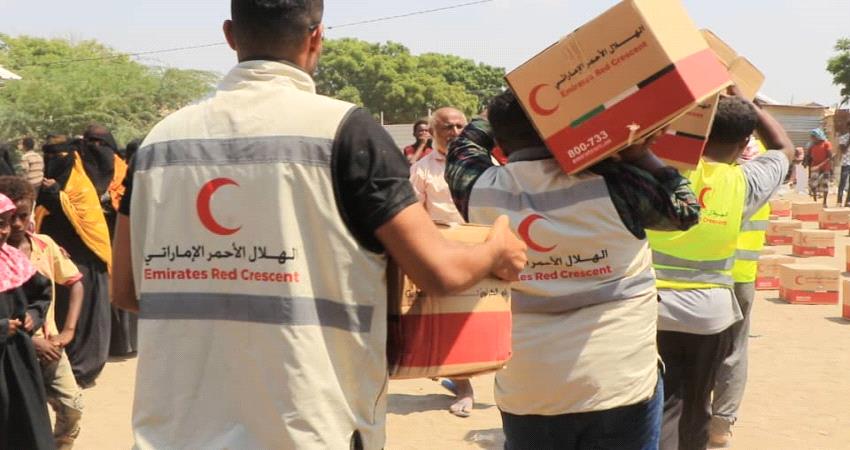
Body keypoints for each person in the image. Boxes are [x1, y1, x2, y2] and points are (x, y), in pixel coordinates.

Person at [109, 1, 527, 448]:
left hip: (174, 433)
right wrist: (496, 249)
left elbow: (126, 291)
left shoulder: (158, 143)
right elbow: (438, 272)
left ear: (229, 35)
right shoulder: (345, 131)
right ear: (317, 37)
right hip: (308, 428)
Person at [445, 90, 701, 449]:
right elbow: (685, 210)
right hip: (620, 381)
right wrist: (641, 154)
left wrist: (498, 111)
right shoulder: (617, 183)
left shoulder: (476, 189)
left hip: (529, 387)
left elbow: (464, 145)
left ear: (500, 142)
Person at [647, 88, 794, 450]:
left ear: (701, 129)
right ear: (744, 142)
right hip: (710, 315)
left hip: (652, 308)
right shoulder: (745, 182)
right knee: (698, 402)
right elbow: (784, 148)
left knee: (661, 401)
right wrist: (749, 103)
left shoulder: (663, 171)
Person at [0, 176, 85, 449]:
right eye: (7, 219)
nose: (14, 225)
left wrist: (65, 330)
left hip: (44, 348)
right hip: (15, 352)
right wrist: (23, 337)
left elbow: (55, 289)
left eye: (21, 216)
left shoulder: (39, 248)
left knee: (69, 407)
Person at [707, 137, 771, 448]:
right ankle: (721, 424)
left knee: (691, 345)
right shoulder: (761, 154)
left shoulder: (703, 149)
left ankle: (688, 416)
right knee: (734, 348)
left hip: (700, 267)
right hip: (742, 270)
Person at [35, 135, 112, 387]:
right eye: (49, 157)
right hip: (55, 261)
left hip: (84, 260)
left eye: (58, 157)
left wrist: (56, 195)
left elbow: (83, 221)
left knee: (83, 316)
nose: (53, 162)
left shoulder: (81, 187)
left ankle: (83, 369)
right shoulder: (47, 185)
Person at [0, 192, 55, 450]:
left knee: (26, 426)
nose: (4, 231)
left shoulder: (14, 259)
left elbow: (42, 293)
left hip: (18, 361)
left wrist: (33, 315)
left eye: (5, 223)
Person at [410, 107, 468, 226]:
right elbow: (413, 212)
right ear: (432, 132)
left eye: (459, 127)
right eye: (448, 127)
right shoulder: (421, 169)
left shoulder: (483, 162)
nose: (455, 133)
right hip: (442, 235)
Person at [806, 128, 832, 206]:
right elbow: (808, 156)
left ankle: (824, 202)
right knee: (813, 184)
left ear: (818, 136)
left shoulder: (826, 144)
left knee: (825, 185)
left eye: (813, 137)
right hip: (815, 166)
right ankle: (815, 201)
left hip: (825, 167)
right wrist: (806, 163)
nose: (812, 138)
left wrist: (819, 166)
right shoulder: (811, 145)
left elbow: (829, 157)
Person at [837, 122, 850, 206]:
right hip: (846, 163)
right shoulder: (843, 138)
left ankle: (848, 201)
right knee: (843, 182)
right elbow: (843, 150)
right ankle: (839, 201)